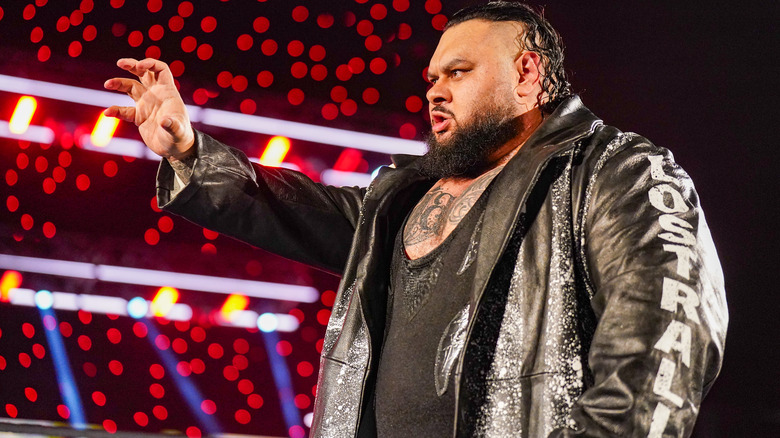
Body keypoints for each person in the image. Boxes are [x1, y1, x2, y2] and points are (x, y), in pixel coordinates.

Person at [103, 2, 727, 437]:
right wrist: (188, 148)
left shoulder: (615, 170)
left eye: (458, 72)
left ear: (527, 74)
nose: (434, 91)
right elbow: (288, 209)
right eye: (431, 77)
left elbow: (661, 349)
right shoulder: (401, 195)